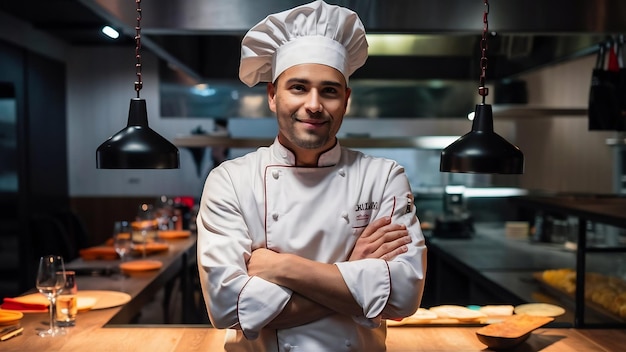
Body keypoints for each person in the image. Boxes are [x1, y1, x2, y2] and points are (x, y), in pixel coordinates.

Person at [196, 1, 427, 350]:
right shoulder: (229, 180)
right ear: (273, 95)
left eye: (329, 90)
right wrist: (353, 274)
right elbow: (227, 307)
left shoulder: (383, 177)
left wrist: (281, 268)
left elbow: (404, 295)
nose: (315, 105)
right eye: (299, 87)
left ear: (346, 100)